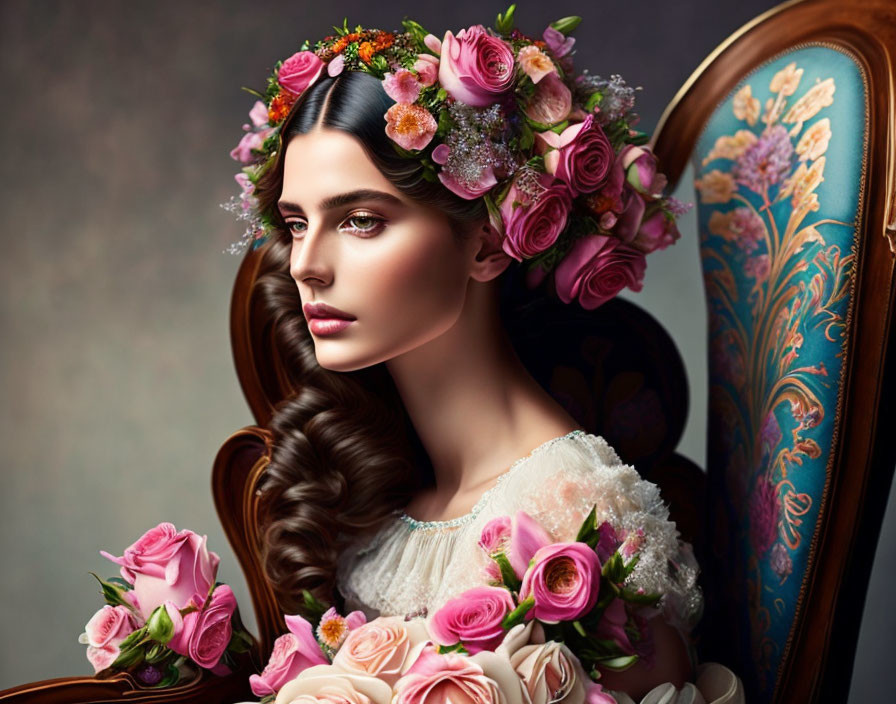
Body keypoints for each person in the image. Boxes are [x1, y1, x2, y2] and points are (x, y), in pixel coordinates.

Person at [225, 12, 745, 703]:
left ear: (489, 244)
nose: (307, 267)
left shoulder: (570, 520)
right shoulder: (382, 501)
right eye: (297, 224)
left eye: (361, 221)